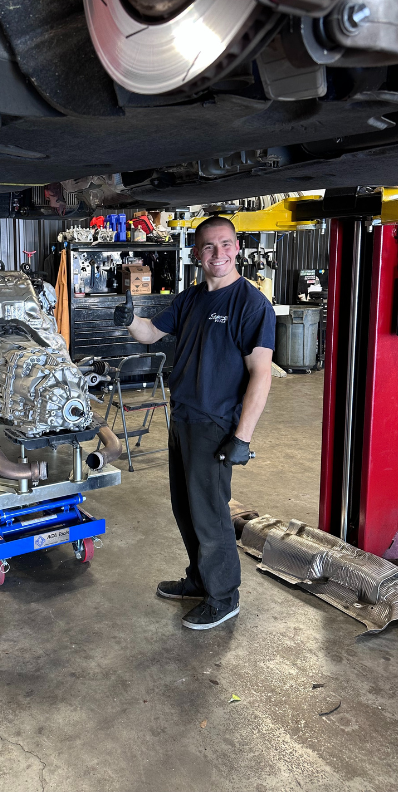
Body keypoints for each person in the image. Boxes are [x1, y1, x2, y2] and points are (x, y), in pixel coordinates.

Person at [114, 216, 275, 630]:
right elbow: (150, 334)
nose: (217, 254)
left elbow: (261, 373)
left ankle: (224, 597)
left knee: (210, 514)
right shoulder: (191, 299)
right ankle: (200, 580)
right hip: (182, 417)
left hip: (215, 424)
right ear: (196, 254)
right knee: (185, 509)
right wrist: (129, 317)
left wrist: (243, 437)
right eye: (208, 247)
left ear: (237, 248)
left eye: (224, 245)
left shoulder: (251, 304)